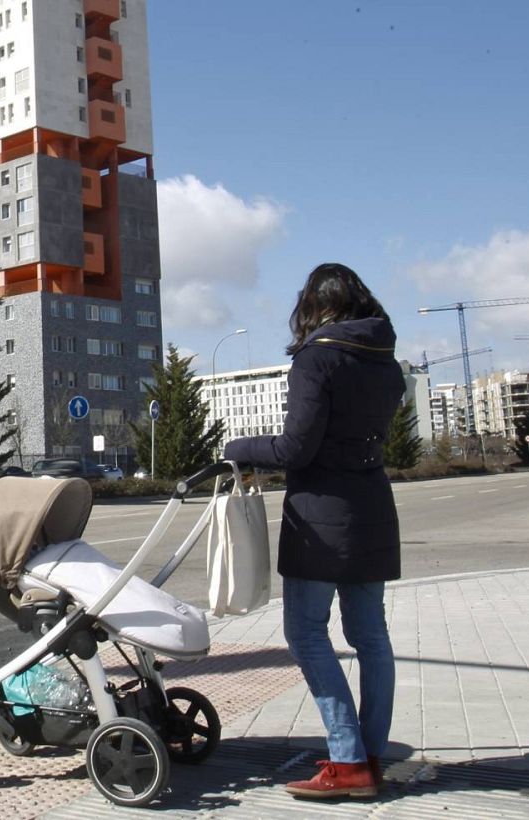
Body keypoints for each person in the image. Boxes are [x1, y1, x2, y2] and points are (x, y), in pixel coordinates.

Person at [222, 263, 405, 800]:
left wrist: (237, 449)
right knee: (371, 637)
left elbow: (295, 448)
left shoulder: (317, 357)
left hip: (321, 517)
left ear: (314, 306)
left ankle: (347, 759)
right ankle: (370, 755)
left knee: (305, 633)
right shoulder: (385, 361)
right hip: (372, 508)